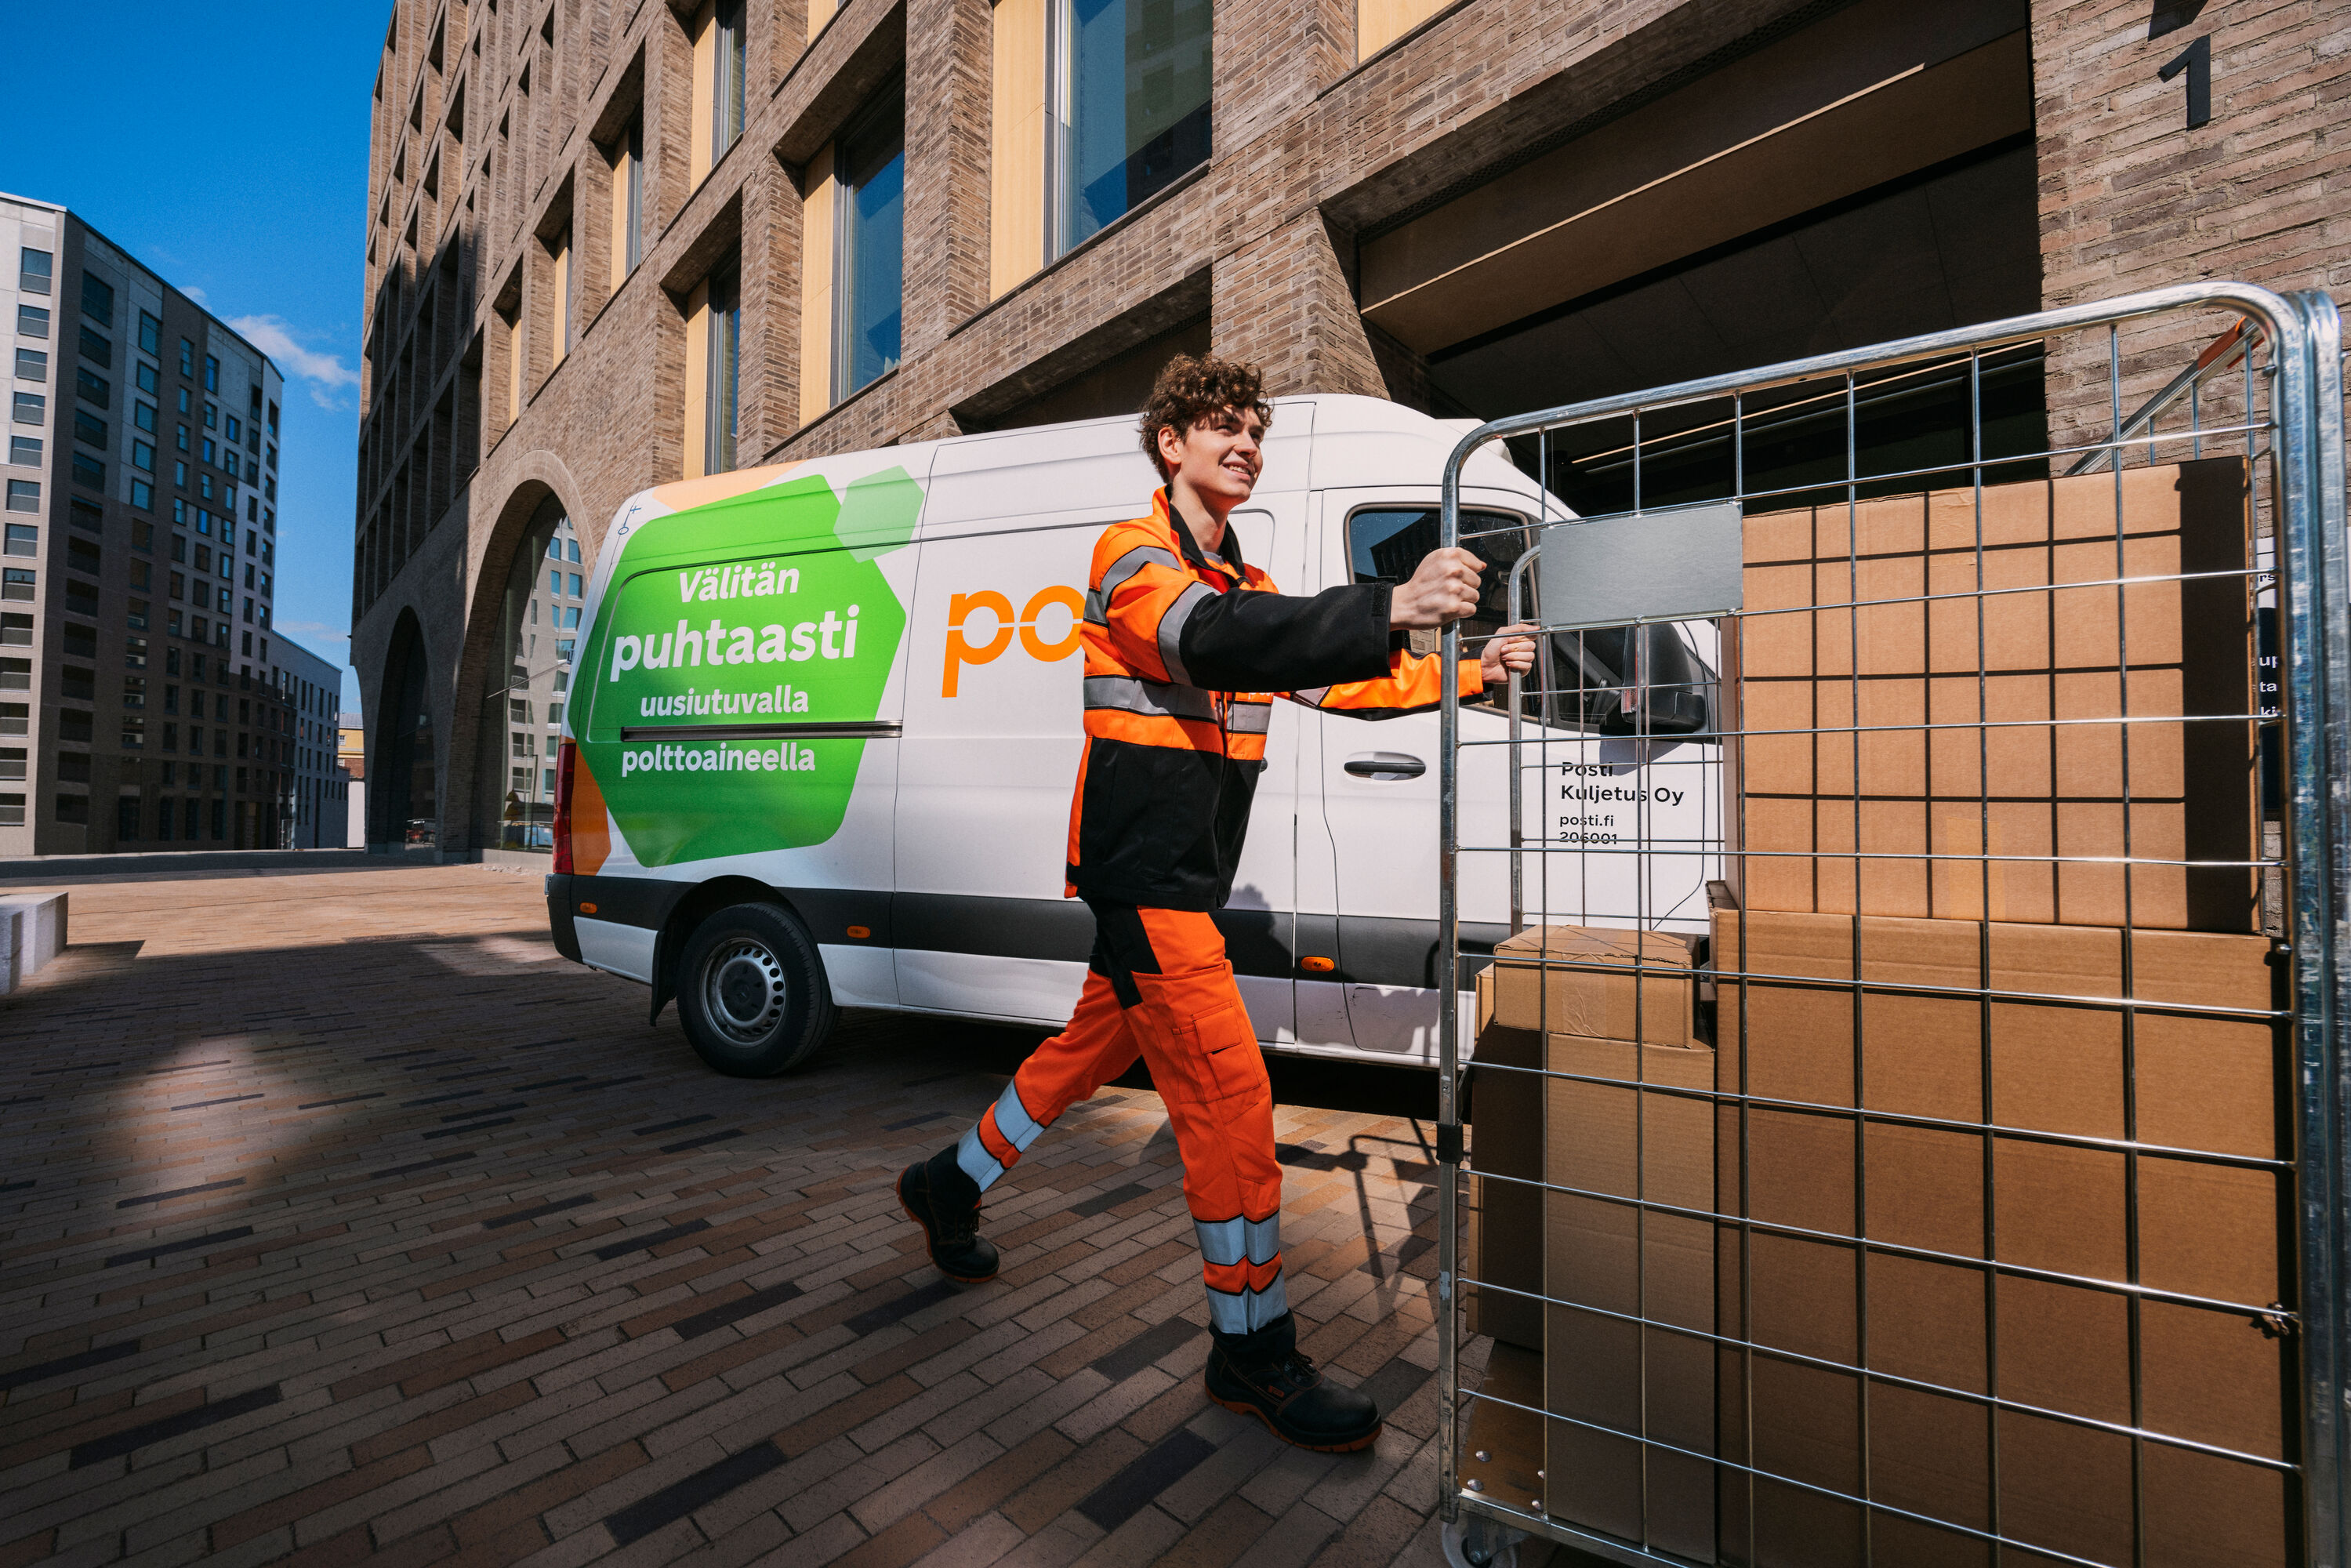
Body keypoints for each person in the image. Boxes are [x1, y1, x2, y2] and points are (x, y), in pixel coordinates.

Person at [898, 354, 1536, 1453]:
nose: (1244, 443)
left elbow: (1339, 679)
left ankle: (949, 1183)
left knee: (1085, 1054)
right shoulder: (1134, 557)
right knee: (1232, 1102)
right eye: (1222, 428)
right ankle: (1250, 1349)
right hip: (1144, 886)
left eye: (1254, 431)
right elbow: (1207, 640)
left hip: (1174, 884)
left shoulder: (1245, 589)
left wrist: (1473, 670)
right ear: (1171, 445)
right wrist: (1390, 599)